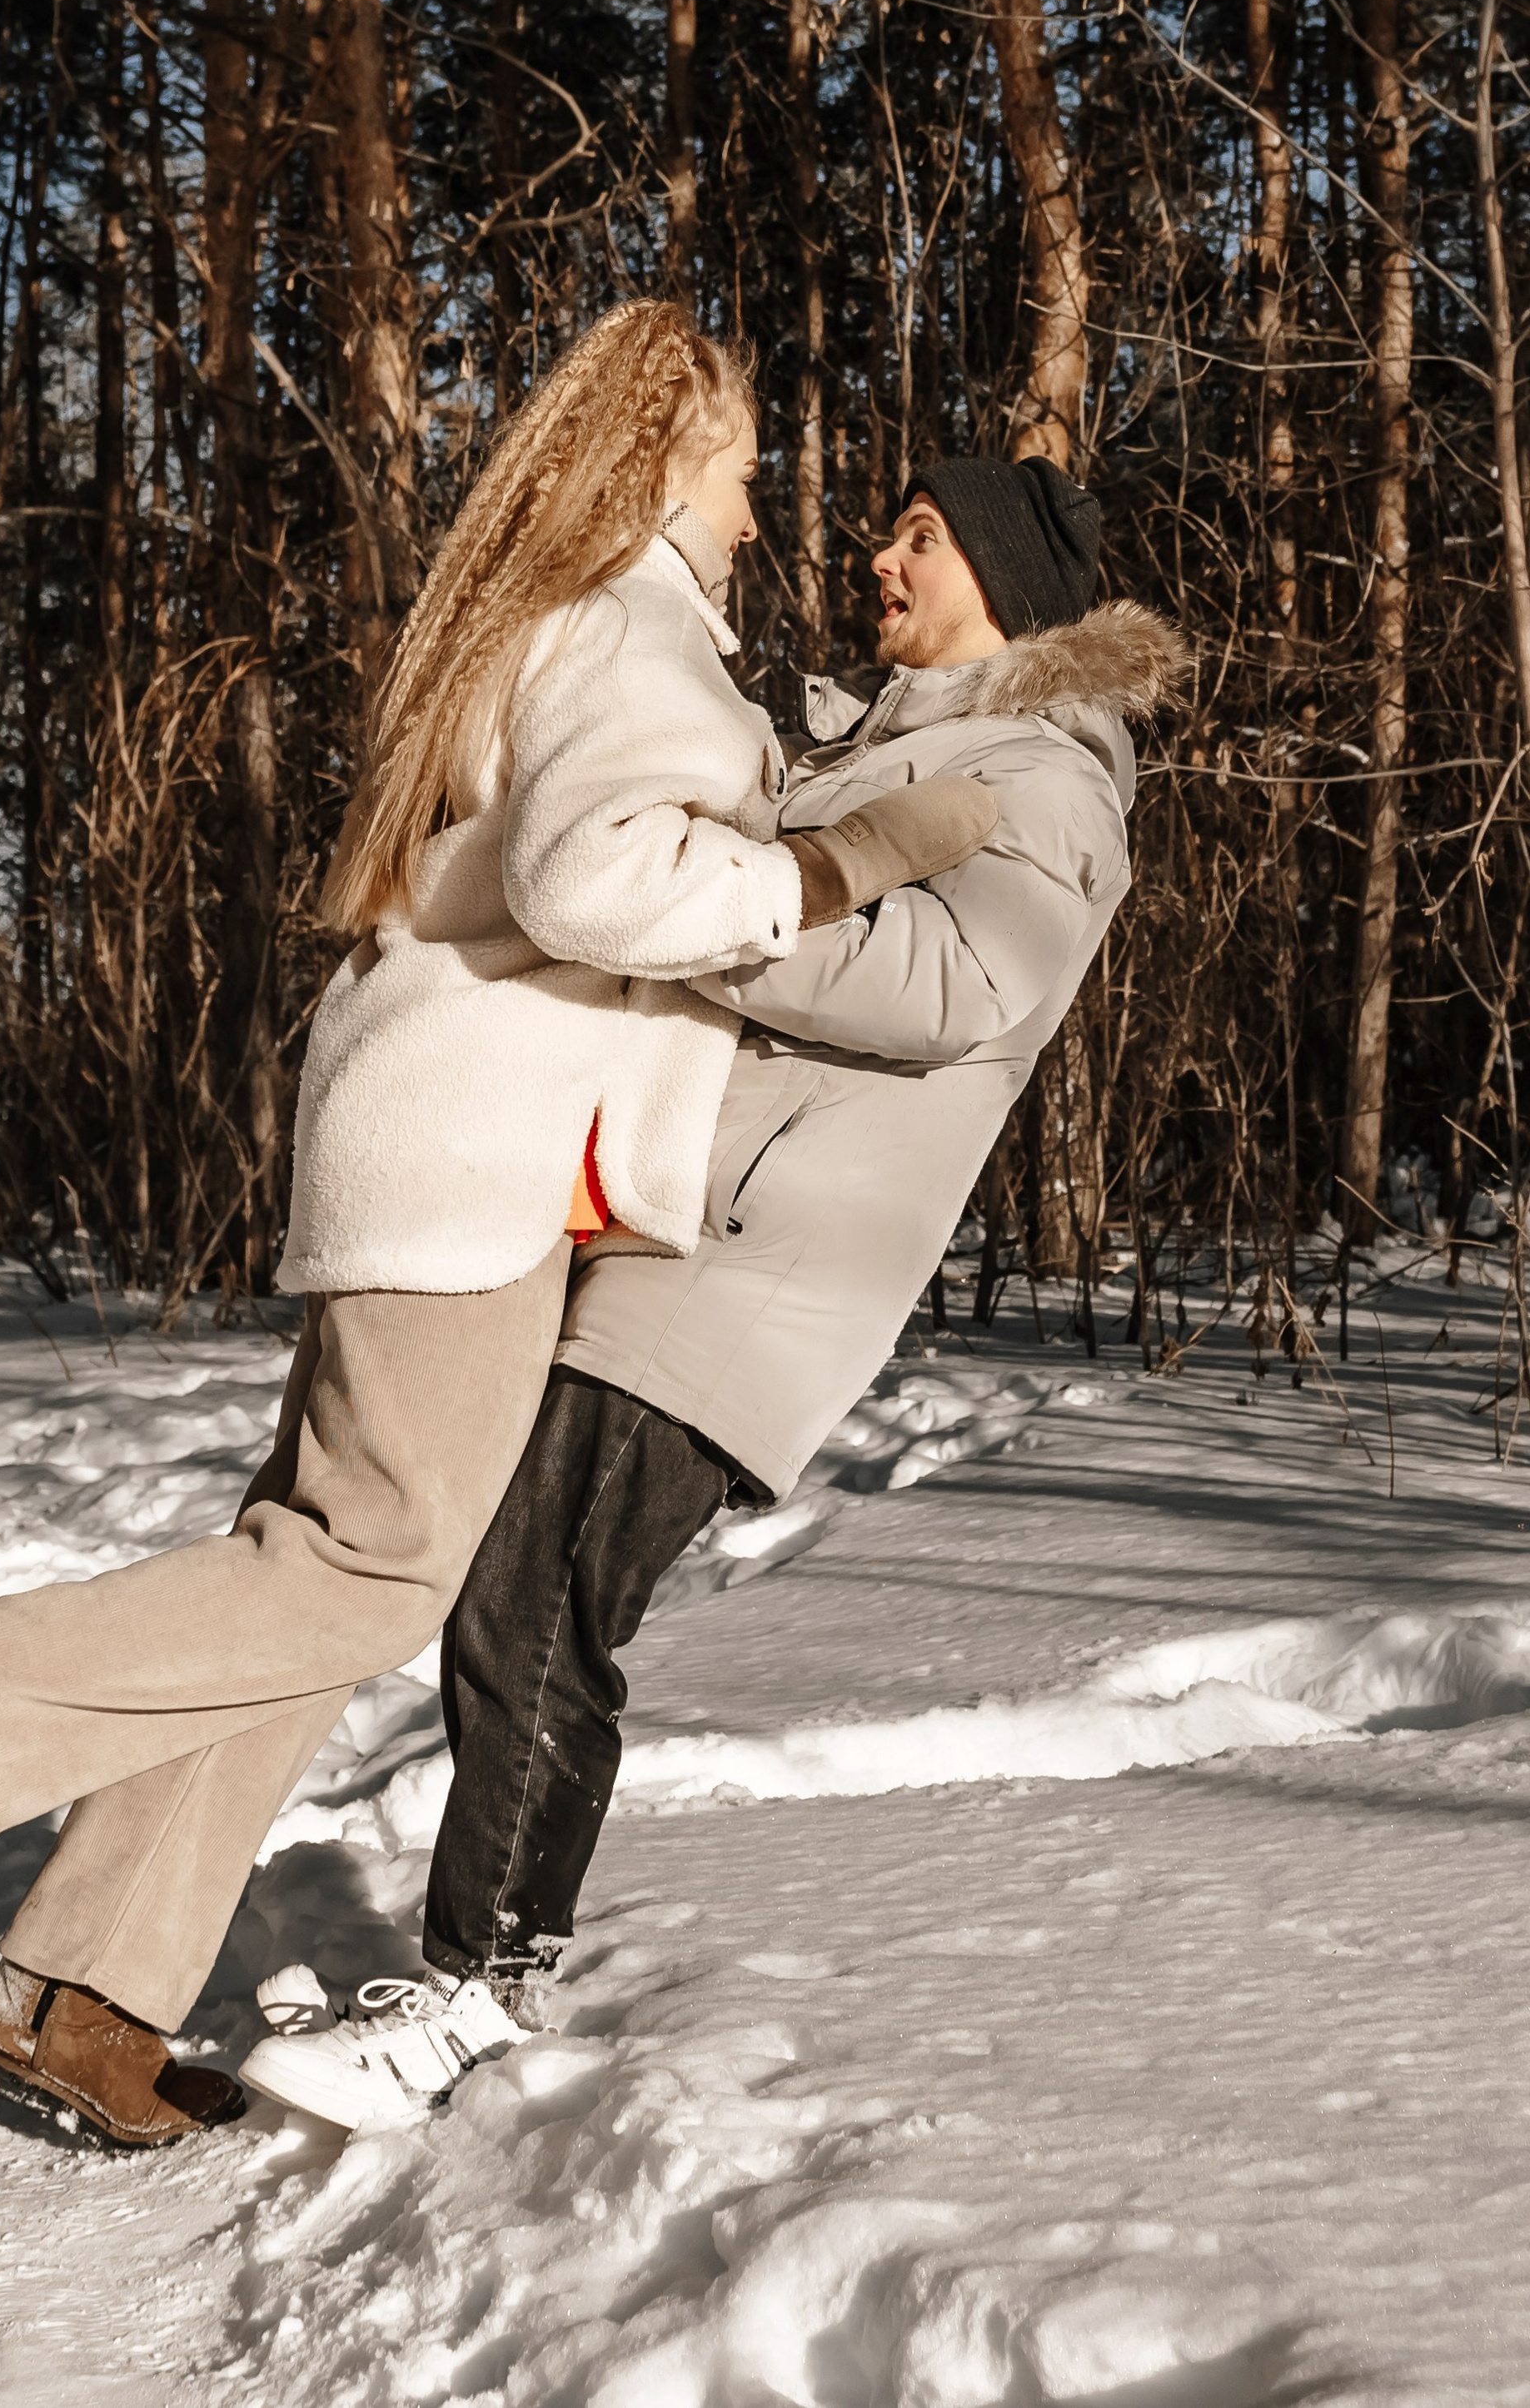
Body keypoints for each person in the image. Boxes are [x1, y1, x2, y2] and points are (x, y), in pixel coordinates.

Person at [0, 305, 998, 2153]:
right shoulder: (629, 622)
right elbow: (591, 875)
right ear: (656, 467)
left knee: (300, 1570)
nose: (749, 514)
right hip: (477, 1162)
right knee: (367, 1574)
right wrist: (830, 868)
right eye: (731, 475)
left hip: (423, 1135)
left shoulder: (564, 607)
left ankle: (83, 1990)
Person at [237, 456, 1188, 2132]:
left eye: (920, 530)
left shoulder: (1046, 773)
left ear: (1007, 582)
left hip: (764, 1261)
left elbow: (954, 981)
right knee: (482, 1559)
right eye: (889, 522)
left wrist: (707, 923)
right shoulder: (875, 740)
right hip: (663, 1216)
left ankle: (474, 1990)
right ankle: (459, 1956)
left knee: (539, 1590)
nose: (878, 549)